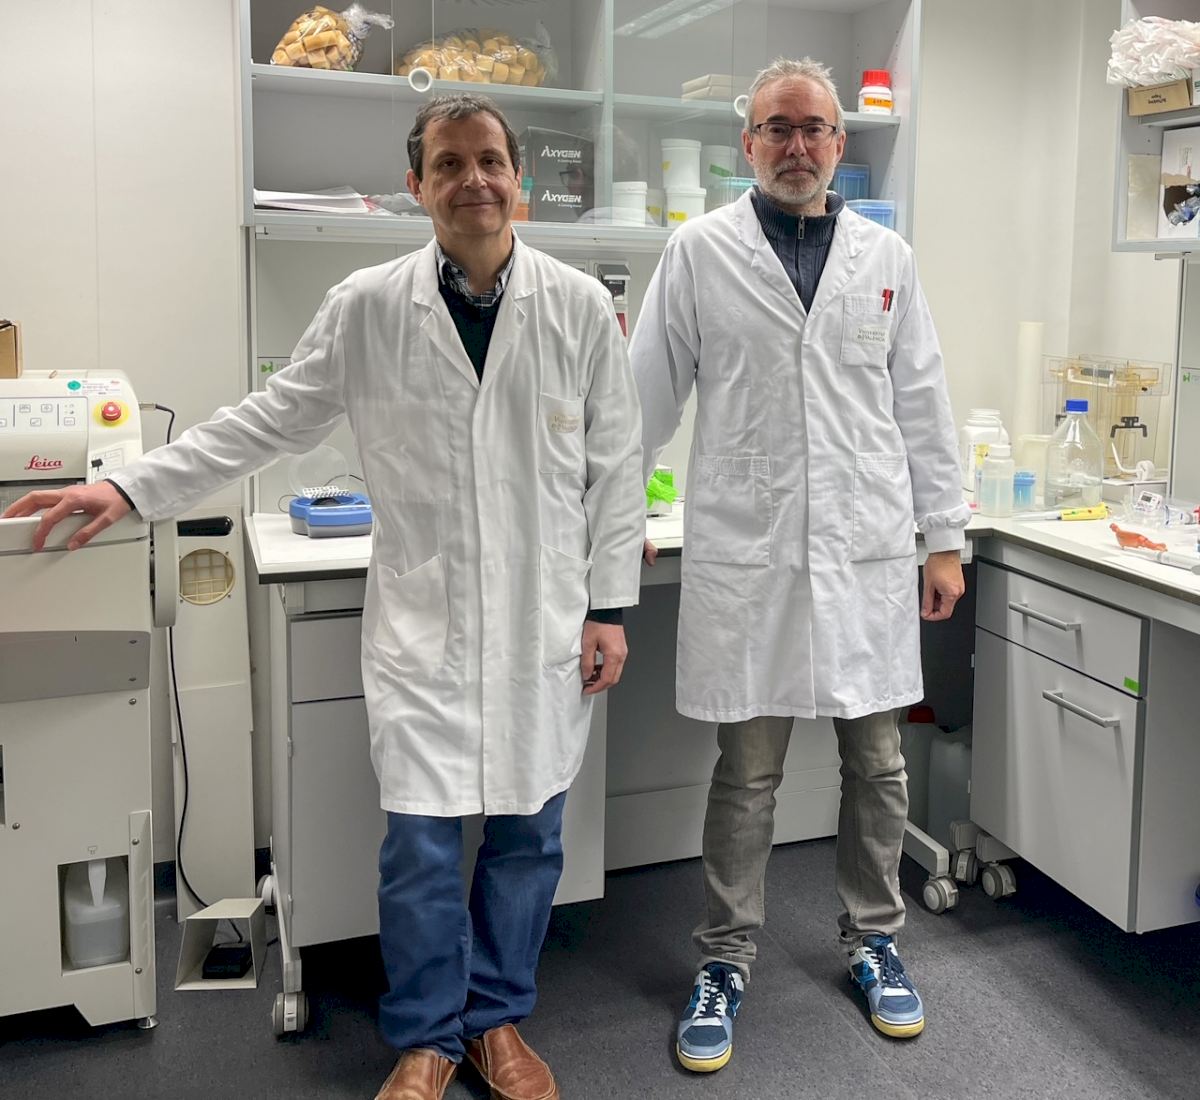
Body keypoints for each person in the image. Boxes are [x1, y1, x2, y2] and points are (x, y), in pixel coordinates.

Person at [4, 94, 644, 1100]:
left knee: (528, 840)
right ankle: (428, 1037)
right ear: (416, 185)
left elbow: (617, 464)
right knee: (419, 849)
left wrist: (610, 606)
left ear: (518, 178)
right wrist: (127, 486)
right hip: (426, 628)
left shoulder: (577, 307)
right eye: (449, 163)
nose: (473, 179)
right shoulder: (368, 306)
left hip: (544, 623)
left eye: (490, 160)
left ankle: (497, 1020)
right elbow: (263, 422)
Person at [627, 57, 969, 1072]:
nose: (797, 145)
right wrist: (611, 515)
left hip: (865, 552)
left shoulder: (886, 258)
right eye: (777, 128)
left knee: (879, 764)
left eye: (815, 128)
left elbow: (922, 401)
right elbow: (646, 397)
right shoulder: (699, 251)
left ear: (839, 144)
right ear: (748, 143)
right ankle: (725, 957)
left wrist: (944, 537)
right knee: (748, 773)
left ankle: (874, 939)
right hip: (754, 553)